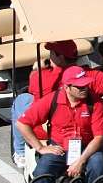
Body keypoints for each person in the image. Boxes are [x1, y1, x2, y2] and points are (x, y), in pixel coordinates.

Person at [15, 66, 103, 183]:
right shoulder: (52, 100)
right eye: (79, 87)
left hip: (88, 148)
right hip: (60, 148)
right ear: (67, 87)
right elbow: (22, 123)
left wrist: (81, 160)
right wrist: (40, 148)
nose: (84, 89)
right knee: (40, 173)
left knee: (98, 165)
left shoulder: (95, 102)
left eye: (86, 85)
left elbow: (100, 137)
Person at [10, 40, 79, 169]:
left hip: (47, 129)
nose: (50, 56)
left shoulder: (41, 76)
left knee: (22, 99)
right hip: (77, 125)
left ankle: (20, 153)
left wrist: (37, 69)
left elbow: (32, 86)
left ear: (61, 58)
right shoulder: (83, 75)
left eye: (52, 53)